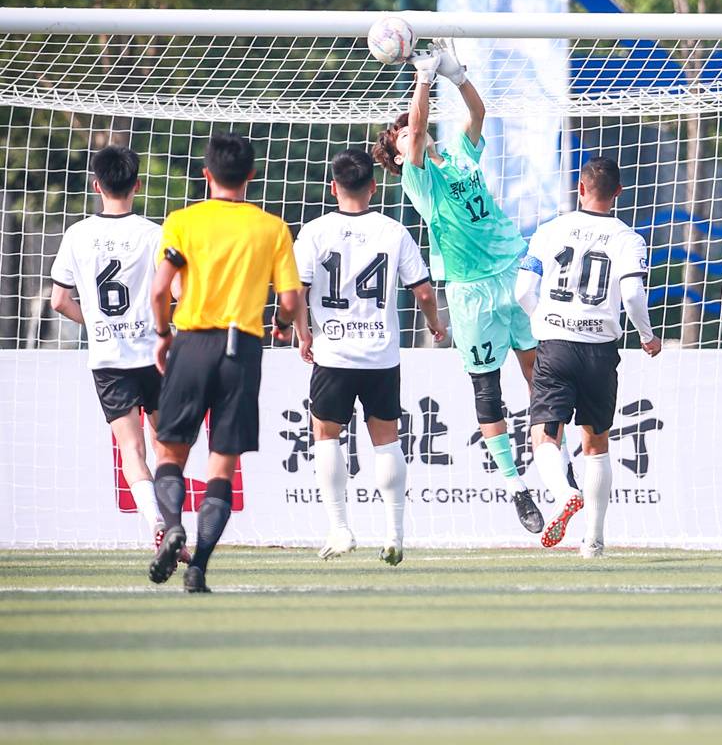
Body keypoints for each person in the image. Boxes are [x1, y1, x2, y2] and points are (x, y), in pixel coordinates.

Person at [372, 39, 564, 535]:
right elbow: (417, 131)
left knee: (540, 372)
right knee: (487, 389)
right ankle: (517, 488)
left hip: (512, 271)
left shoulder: (457, 154)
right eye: (400, 138)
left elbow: (477, 113)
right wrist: (423, 76)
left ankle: (554, 468)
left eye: (406, 129)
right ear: (399, 158)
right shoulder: (417, 180)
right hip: (470, 291)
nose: (410, 134)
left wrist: (457, 76)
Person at [148, 132, 310, 592]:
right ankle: (198, 566)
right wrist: (282, 324)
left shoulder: (183, 222)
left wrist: (163, 334)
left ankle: (173, 525)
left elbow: (159, 290)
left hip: (193, 341)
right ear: (250, 176)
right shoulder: (271, 228)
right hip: (242, 349)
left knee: (171, 451)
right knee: (222, 463)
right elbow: (290, 298)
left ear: (206, 174)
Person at [294, 148, 446, 565]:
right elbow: (424, 291)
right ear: (374, 188)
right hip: (380, 356)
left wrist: (304, 334)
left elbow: (297, 291)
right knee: (386, 440)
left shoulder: (314, 231)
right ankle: (394, 533)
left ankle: (340, 529)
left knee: (326, 436)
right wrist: (434, 323)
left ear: (333, 188)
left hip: (333, 354)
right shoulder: (393, 231)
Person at [514, 157, 661, 556]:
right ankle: (593, 542)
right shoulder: (628, 238)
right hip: (600, 350)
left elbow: (522, 290)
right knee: (596, 443)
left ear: (580, 189)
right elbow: (632, 295)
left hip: (556, 345)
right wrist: (647, 336)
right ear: (619, 193)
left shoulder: (550, 230)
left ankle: (564, 493)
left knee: (545, 434)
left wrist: (543, 319)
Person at [49, 145, 189, 561]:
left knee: (132, 449)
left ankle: (155, 524)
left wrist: (96, 325)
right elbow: (177, 292)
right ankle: (174, 524)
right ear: (137, 185)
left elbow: (59, 300)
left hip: (109, 360)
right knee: (167, 448)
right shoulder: (154, 233)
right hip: (154, 355)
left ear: (97, 185)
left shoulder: (77, 234)